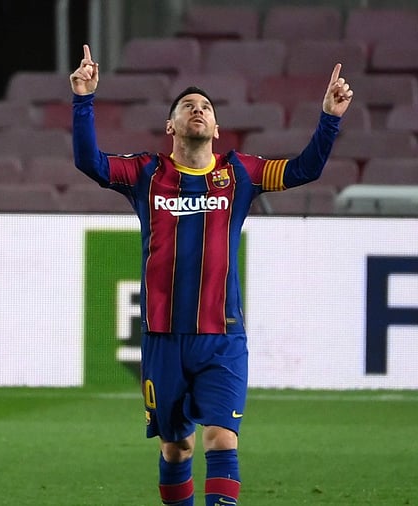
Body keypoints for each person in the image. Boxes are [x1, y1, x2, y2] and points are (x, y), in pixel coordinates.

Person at [70, 43, 353, 505]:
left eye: (205, 106)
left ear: (217, 128)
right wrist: (83, 99)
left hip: (222, 338)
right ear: (171, 125)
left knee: (221, 438)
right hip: (163, 338)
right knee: (176, 447)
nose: (197, 110)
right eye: (187, 105)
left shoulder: (240, 173)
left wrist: (329, 119)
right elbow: (90, 162)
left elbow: (305, 169)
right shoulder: (146, 173)